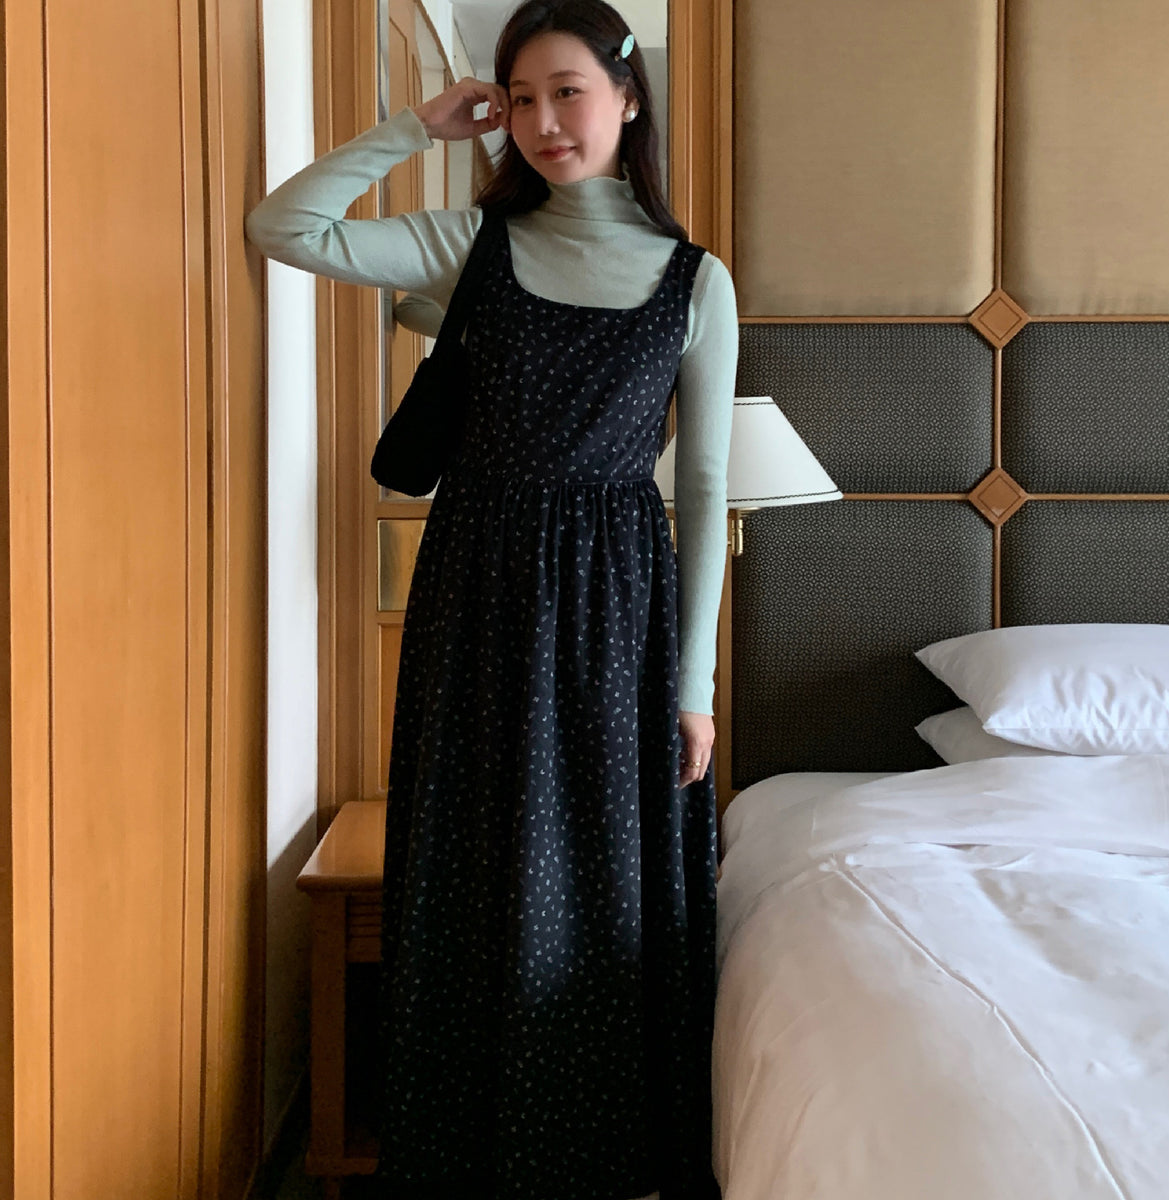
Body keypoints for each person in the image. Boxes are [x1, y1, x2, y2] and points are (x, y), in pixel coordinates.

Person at [245, 1, 736, 1195]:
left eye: (568, 91)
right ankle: (473, 1143)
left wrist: (696, 686)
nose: (544, 121)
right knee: (476, 859)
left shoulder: (697, 280)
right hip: (477, 589)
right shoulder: (474, 242)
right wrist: (418, 125)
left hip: (619, 602)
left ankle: (602, 1149)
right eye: (521, 99)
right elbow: (283, 227)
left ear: (628, 98)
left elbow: (706, 488)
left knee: (605, 869)